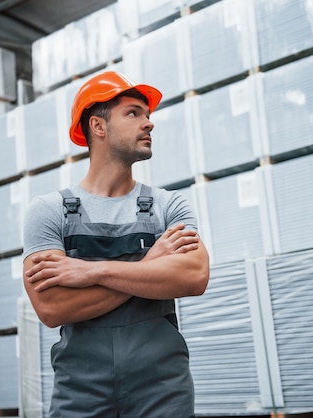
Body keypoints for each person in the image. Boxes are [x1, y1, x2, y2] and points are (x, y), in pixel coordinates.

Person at [22, 70, 210, 418]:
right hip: (80, 391)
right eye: (134, 113)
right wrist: (150, 265)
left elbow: (194, 277)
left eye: (148, 114)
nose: (149, 123)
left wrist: (92, 271)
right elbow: (52, 308)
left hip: (163, 389)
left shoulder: (169, 206)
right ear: (98, 126)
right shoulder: (48, 211)